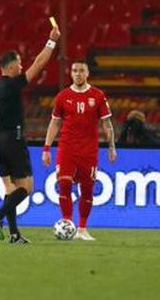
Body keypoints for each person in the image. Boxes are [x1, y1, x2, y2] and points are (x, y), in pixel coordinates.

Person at [0, 24, 61, 244]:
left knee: (11, 189)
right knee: (27, 188)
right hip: (13, 138)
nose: (22, 65)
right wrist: (51, 41)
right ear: (10, 67)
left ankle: (14, 234)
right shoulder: (12, 85)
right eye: (19, 62)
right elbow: (39, 63)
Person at [42, 60, 117, 241]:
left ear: (87, 73)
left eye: (81, 70)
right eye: (75, 70)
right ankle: (68, 224)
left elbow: (107, 124)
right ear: (71, 73)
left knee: (87, 190)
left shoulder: (98, 96)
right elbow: (55, 123)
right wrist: (47, 148)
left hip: (89, 150)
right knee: (65, 185)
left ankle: (82, 228)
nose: (78, 74)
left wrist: (112, 146)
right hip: (67, 148)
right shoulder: (62, 96)